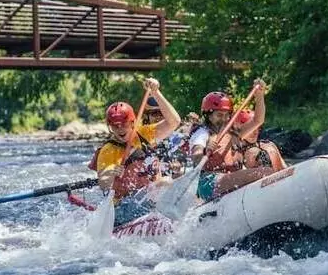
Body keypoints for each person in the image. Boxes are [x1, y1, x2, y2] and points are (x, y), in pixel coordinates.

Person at [90, 77, 181, 225]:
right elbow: (103, 183)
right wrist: (111, 172)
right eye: (115, 125)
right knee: (165, 183)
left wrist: (156, 92)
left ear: (133, 122)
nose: (120, 129)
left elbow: (174, 122)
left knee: (174, 183)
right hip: (122, 209)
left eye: (124, 124)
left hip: (150, 200)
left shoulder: (144, 134)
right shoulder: (108, 150)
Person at [188, 80, 275, 202]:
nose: (224, 119)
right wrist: (205, 150)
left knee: (267, 170)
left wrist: (260, 96)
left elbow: (257, 120)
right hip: (209, 182)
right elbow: (196, 157)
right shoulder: (202, 133)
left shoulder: (234, 133)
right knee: (265, 172)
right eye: (219, 115)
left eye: (226, 115)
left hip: (228, 178)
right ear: (208, 115)